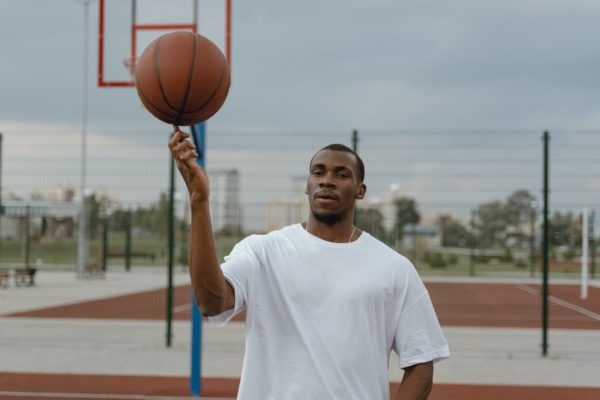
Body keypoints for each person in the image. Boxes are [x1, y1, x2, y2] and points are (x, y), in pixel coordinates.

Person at [169, 127, 449, 400]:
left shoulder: (394, 268)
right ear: (307, 185)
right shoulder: (263, 251)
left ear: (360, 190)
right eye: (319, 172)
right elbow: (210, 302)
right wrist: (198, 199)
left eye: (341, 174)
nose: (327, 180)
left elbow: (421, 362)